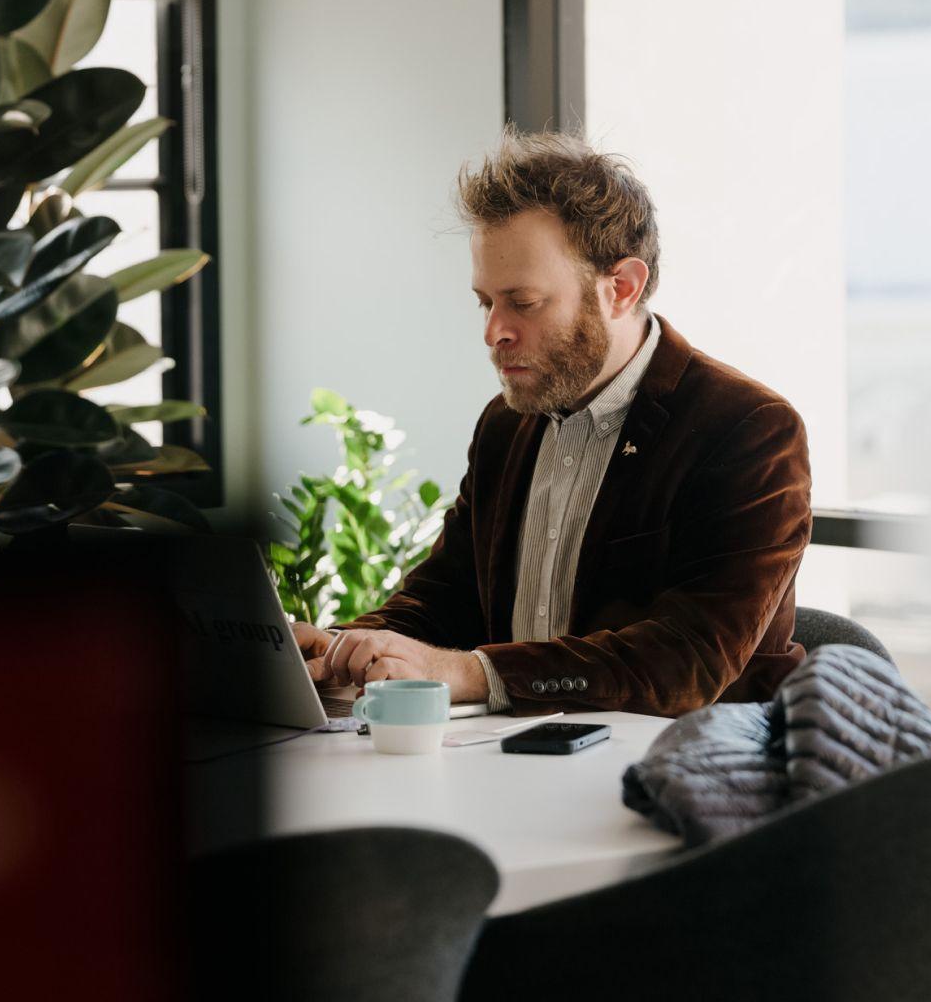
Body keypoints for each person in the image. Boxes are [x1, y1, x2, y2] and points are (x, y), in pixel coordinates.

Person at [293, 129, 811, 717]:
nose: (494, 332)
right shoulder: (506, 424)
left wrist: (467, 671)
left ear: (622, 288)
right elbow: (447, 595)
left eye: (524, 302)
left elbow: (688, 659)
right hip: (515, 760)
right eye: (485, 302)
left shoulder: (747, 429)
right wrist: (342, 648)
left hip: (688, 769)